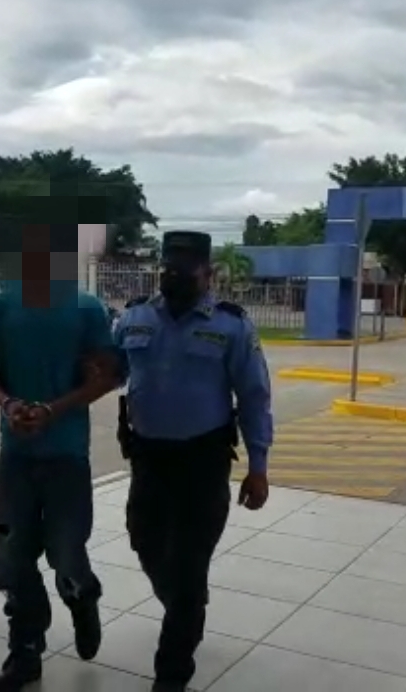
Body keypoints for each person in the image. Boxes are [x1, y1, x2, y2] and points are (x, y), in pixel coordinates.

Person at [113, 230, 274, 692]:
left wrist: (258, 466)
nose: (173, 275)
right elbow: (107, 370)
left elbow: (254, 397)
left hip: (203, 461)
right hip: (149, 458)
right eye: (167, 267)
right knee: (144, 541)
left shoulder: (231, 325)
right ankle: (187, 604)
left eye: (184, 269)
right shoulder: (135, 317)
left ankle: (172, 672)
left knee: (187, 562)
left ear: (208, 273)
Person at [0, 223, 120, 692]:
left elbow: (107, 377)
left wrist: (54, 410)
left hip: (67, 457)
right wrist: (9, 404)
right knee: (11, 560)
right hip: (15, 457)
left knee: (66, 554)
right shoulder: (2, 307)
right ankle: (25, 651)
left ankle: (82, 596)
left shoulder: (87, 309)